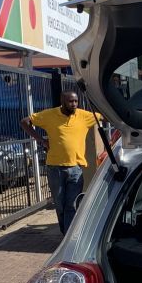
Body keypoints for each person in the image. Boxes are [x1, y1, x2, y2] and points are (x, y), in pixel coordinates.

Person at [20, 91, 100, 234]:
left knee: (72, 204)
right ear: (62, 101)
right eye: (70, 101)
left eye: (76, 101)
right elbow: (25, 121)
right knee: (60, 204)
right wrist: (41, 141)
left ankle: (68, 236)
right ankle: (65, 232)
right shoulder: (50, 115)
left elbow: (105, 117)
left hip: (75, 168)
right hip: (55, 168)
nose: (74, 104)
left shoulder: (84, 115)